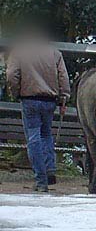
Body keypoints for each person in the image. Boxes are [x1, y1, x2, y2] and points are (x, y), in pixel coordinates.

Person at [6, 28, 70, 192]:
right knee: (47, 134)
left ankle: (40, 179)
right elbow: (63, 76)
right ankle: (50, 171)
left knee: (33, 137)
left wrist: (16, 92)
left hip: (30, 100)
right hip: (50, 101)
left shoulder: (19, 51)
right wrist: (64, 98)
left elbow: (12, 74)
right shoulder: (54, 52)